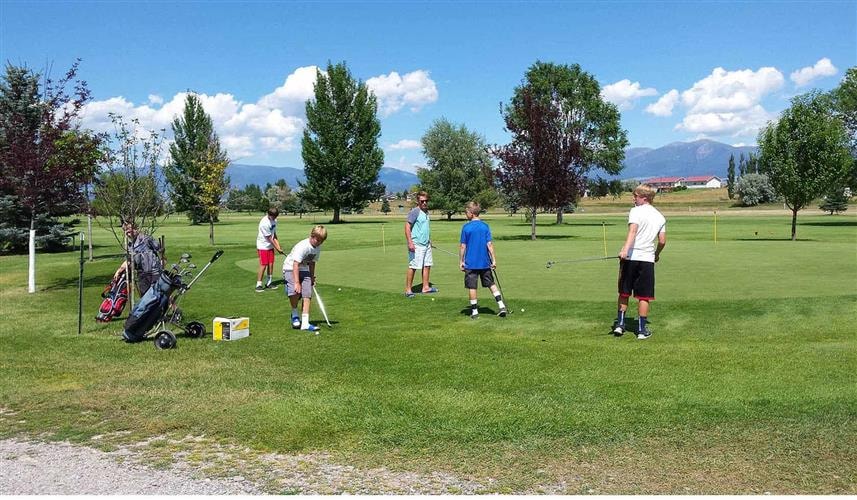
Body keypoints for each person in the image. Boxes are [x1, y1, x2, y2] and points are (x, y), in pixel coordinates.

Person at [612, 184, 666, 340]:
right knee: (644, 296)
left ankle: (620, 325)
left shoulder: (635, 211)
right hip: (647, 260)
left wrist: (625, 250)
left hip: (630, 258)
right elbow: (662, 241)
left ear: (644, 197)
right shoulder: (660, 216)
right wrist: (656, 255)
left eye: (635, 196)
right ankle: (641, 330)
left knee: (624, 292)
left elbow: (633, 231)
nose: (633, 199)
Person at [459, 201, 507, 319]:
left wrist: (461, 261)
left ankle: (475, 312)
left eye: (466, 212)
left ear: (471, 213)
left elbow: (463, 246)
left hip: (471, 264)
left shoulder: (466, 227)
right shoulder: (485, 226)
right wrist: (494, 260)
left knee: (472, 287)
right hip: (485, 262)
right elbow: (489, 244)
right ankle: (501, 306)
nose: (465, 214)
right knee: (491, 284)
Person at [283, 225, 328, 332]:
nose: (319, 243)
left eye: (321, 241)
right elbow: (295, 264)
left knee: (307, 293)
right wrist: (297, 282)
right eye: (318, 240)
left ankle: (305, 323)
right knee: (295, 292)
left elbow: (312, 263)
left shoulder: (317, 248)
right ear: (312, 236)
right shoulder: (303, 246)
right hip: (290, 268)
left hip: (304, 269)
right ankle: (295, 315)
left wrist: (312, 277)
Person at [112, 223, 164, 298]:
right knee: (145, 297)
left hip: (154, 272)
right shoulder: (130, 245)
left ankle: (171, 305)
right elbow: (129, 260)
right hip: (142, 274)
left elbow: (159, 249)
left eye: (130, 229)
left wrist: (162, 260)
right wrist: (119, 271)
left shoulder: (146, 239)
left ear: (136, 229)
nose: (128, 232)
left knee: (158, 295)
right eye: (126, 230)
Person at [404, 190, 437, 297]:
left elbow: (424, 228)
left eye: (426, 201)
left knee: (427, 265)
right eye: (422, 201)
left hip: (426, 244)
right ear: (418, 201)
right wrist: (410, 242)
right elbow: (407, 227)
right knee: (413, 266)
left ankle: (425, 287)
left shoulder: (426, 212)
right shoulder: (415, 212)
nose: (424, 203)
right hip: (416, 244)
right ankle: (408, 290)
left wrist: (429, 239)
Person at [256, 207, 284, 292]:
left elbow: (274, 234)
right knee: (264, 264)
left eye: (276, 217)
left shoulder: (274, 220)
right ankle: (258, 285)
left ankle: (269, 283)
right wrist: (277, 248)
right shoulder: (264, 223)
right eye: (273, 217)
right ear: (269, 214)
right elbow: (270, 239)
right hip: (263, 246)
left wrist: (278, 246)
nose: (275, 218)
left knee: (271, 264)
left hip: (270, 246)